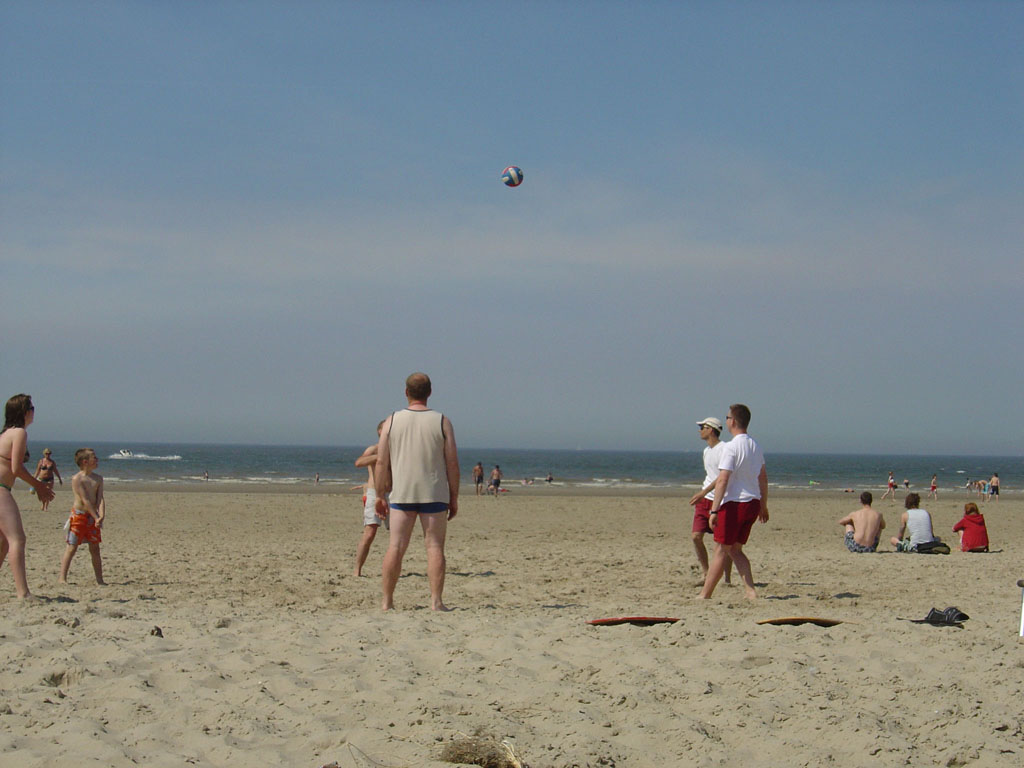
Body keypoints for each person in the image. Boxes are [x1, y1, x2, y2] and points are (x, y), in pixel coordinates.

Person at [376, 373, 459, 611]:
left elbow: (382, 462)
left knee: (396, 546)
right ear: (430, 392)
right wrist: (454, 496)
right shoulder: (442, 421)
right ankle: (436, 601)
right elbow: (452, 462)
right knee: (434, 547)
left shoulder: (392, 420)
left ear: (406, 392)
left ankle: (387, 601)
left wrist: (380, 494)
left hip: (403, 492)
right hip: (434, 492)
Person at [698, 404, 768, 600]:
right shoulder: (756, 446)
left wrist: (713, 510)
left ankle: (705, 594)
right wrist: (763, 504)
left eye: (727, 417)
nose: (726, 420)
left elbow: (723, 479)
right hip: (752, 502)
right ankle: (750, 590)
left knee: (720, 549)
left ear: (734, 421)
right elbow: (763, 478)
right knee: (735, 550)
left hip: (735, 504)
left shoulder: (731, 446)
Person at [1, 394, 55, 599]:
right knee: (17, 539)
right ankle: (23, 593)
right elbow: (16, 468)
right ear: (25, 412)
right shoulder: (19, 433)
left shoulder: (5, 433)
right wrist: (39, 486)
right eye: (32, 408)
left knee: (5, 541)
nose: (34, 412)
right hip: (1, 489)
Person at [687, 417, 732, 583]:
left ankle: (726, 578)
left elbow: (723, 476)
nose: (700, 430)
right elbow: (711, 475)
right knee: (696, 536)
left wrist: (704, 491)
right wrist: (703, 494)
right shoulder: (706, 451)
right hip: (704, 500)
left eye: (703, 427)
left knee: (723, 543)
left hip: (720, 501)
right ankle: (706, 573)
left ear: (711, 429)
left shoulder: (724, 449)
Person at [58, 448, 106, 585]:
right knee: (72, 547)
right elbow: (85, 500)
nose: (97, 460)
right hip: (79, 516)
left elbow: (100, 499)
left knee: (95, 548)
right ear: (85, 462)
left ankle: (99, 579)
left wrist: (101, 516)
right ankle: (62, 577)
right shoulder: (77, 479)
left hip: (92, 517)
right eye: (94, 458)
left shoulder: (98, 478)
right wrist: (96, 516)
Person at [352, 420, 389, 577]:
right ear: (380, 431)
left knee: (399, 533)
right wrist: (378, 457)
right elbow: (359, 462)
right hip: (375, 492)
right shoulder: (374, 449)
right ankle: (357, 569)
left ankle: (392, 569)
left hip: (394, 493)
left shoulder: (396, 448)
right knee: (370, 532)